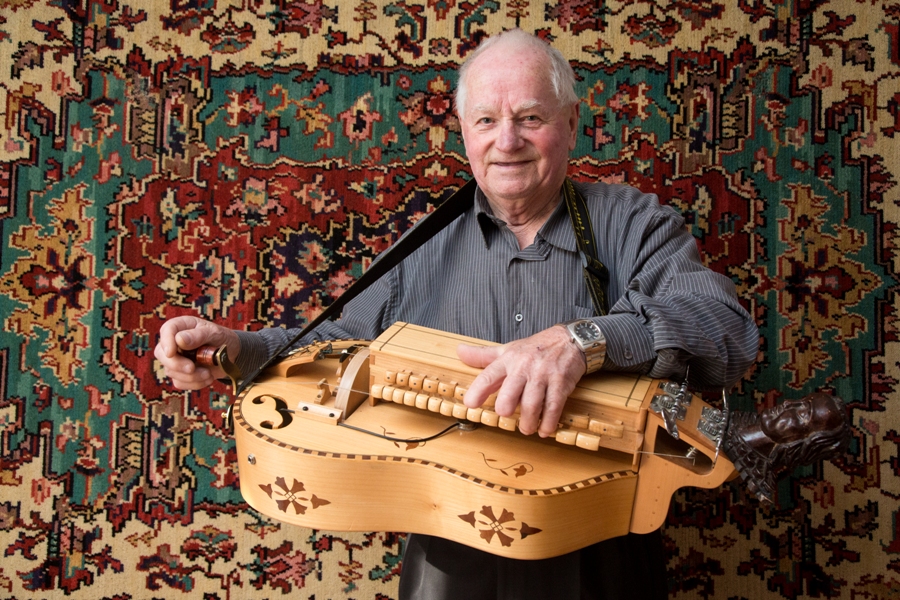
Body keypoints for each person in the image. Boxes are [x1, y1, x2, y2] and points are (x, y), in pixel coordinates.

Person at [156, 29, 759, 600]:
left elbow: (727, 333)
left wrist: (584, 341)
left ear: (572, 123)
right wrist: (236, 348)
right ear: (465, 133)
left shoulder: (636, 224)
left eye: (530, 117)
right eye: (487, 120)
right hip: (450, 544)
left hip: (601, 545)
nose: (507, 141)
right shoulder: (421, 246)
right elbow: (335, 345)